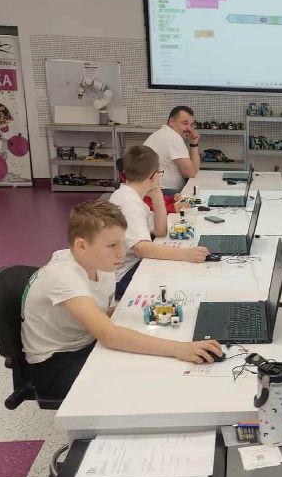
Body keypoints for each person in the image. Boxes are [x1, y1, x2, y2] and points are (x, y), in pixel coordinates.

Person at [21, 201, 222, 400]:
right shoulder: (64, 275)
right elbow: (109, 336)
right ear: (81, 246)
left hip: (88, 341)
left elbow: (107, 316)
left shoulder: (102, 263)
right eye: (112, 245)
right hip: (55, 363)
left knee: (151, 359)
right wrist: (180, 348)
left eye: (121, 243)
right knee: (138, 382)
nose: (122, 253)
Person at [109, 145, 209, 299]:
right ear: (154, 176)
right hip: (122, 277)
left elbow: (159, 231)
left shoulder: (129, 195)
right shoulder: (130, 204)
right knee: (179, 271)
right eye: (160, 173)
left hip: (129, 266)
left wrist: (157, 196)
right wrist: (186, 254)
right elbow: (142, 249)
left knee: (174, 263)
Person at [144, 106, 201, 195]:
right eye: (185, 123)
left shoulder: (164, 133)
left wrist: (193, 144)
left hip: (155, 189)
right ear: (171, 121)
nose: (189, 129)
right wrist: (194, 146)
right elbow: (191, 173)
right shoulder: (172, 137)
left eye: (191, 125)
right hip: (164, 192)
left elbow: (194, 171)